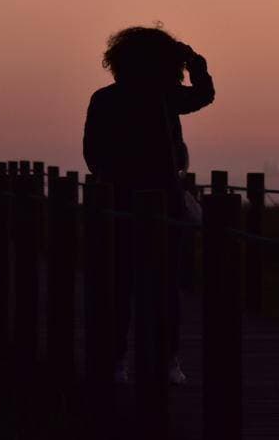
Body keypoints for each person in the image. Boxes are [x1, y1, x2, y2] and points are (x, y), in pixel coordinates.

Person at [83, 25, 215, 385]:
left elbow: (91, 154)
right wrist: (195, 62)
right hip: (162, 203)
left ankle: (116, 362)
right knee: (164, 286)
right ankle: (167, 360)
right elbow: (204, 95)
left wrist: (113, 175)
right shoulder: (166, 96)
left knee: (118, 285)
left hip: (120, 202)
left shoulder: (105, 98)